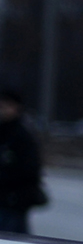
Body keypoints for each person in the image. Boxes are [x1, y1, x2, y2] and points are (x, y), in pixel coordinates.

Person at [0, 88, 47, 234]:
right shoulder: (5, 131)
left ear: (16, 108)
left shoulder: (21, 135)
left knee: (13, 241)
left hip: (13, 200)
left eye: (5, 106)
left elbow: (29, 168)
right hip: (7, 199)